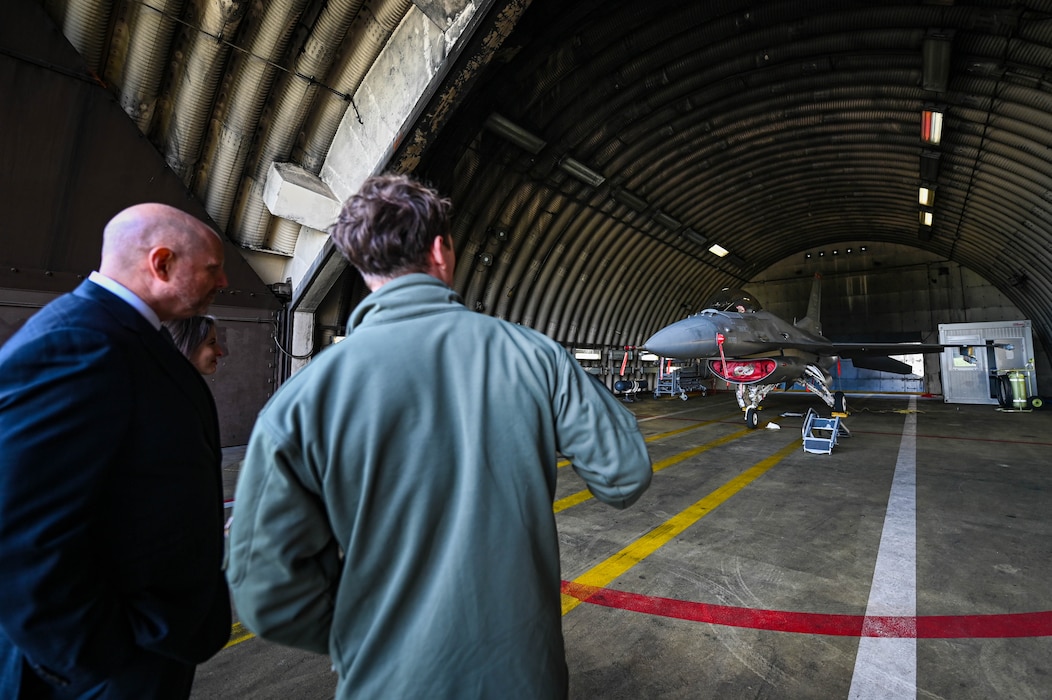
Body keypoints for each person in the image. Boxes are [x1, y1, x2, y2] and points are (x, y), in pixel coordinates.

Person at [227, 173, 653, 699]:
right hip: (523, 679)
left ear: (364, 268)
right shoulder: (536, 356)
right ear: (440, 250)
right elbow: (624, 474)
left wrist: (358, 638)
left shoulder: (300, 401)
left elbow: (263, 588)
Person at [0, 203, 232, 699]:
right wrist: (98, 662)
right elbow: (19, 532)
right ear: (162, 263)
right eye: (213, 268)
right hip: (104, 670)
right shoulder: (77, 342)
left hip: (146, 646)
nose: (224, 282)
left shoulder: (125, 337)